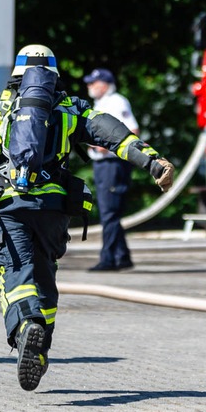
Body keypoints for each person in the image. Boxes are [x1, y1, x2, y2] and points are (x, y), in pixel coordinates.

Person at [0, 44, 175, 391]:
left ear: (17, 71)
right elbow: (113, 134)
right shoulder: (72, 107)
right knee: (44, 275)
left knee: (14, 272)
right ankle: (39, 347)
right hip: (54, 210)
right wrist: (154, 162)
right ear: (53, 74)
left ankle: (26, 327)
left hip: (11, 204)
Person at [83, 67, 139, 272]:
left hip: (113, 164)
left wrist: (107, 146)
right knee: (109, 212)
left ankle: (108, 259)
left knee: (109, 213)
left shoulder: (117, 102)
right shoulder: (102, 103)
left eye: (93, 83)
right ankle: (122, 256)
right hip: (103, 163)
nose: (89, 86)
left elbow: (133, 130)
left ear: (105, 84)